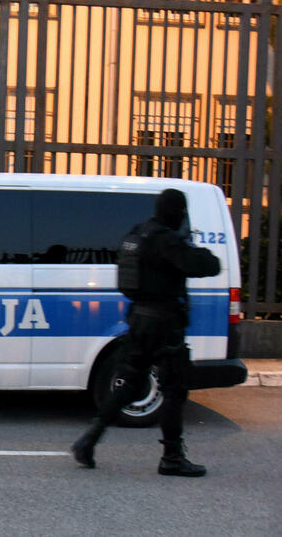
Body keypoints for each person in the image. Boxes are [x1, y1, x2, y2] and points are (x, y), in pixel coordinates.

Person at [71, 188, 220, 476]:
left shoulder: (138, 234)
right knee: (174, 389)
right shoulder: (167, 240)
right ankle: (172, 457)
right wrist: (190, 244)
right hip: (164, 325)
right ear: (177, 213)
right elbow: (207, 265)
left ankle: (90, 438)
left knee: (128, 383)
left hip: (138, 320)